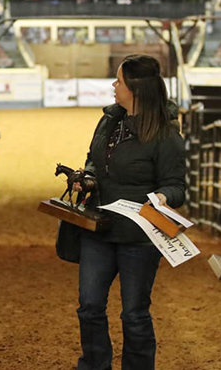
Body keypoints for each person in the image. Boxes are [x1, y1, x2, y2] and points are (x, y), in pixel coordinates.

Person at [73, 54, 186, 370]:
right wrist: (89, 176)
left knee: (134, 313)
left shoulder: (165, 135)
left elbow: (177, 186)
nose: (113, 85)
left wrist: (164, 196)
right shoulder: (109, 120)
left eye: (119, 81)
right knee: (89, 306)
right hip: (99, 228)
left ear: (134, 89)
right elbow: (94, 158)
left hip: (140, 238)